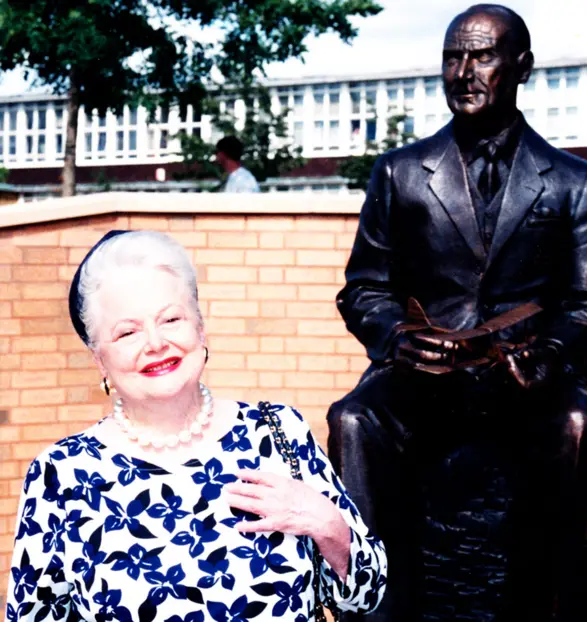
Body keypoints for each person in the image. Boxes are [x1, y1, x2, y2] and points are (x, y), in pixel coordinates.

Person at [328, 4, 587, 622]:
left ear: (522, 67)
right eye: (452, 57)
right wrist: (395, 337)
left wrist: (549, 355)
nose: (463, 71)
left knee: (574, 426)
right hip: (421, 379)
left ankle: (554, 603)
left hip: (525, 381)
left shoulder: (574, 181)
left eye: (482, 56)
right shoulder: (400, 173)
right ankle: (371, 610)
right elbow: (362, 290)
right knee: (353, 419)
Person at [6, 230, 387, 621]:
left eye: (171, 319)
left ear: (200, 329)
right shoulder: (64, 474)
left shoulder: (277, 432)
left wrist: (328, 525)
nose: (155, 343)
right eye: (127, 332)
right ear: (99, 360)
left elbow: (366, 592)